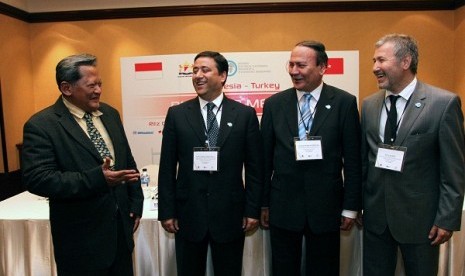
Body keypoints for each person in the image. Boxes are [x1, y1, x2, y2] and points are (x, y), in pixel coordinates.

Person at [21, 54, 144, 276]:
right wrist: (98, 179)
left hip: (120, 237)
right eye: (91, 85)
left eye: (100, 84)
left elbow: (127, 160)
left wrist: (136, 203)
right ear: (66, 88)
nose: (98, 90)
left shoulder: (110, 114)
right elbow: (38, 178)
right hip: (81, 243)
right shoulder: (42, 125)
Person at [361, 34, 465, 276]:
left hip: (421, 222)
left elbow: (453, 168)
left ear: (405, 61)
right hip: (377, 221)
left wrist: (447, 218)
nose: (375, 67)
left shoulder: (443, 104)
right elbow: (365, 162)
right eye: (373, 61)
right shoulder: (369, 105)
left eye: (381, 60)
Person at [260, 40, 362, 276]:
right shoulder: (274, 104)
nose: (294, 71)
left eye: (302, 65)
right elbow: (264, 160)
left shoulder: (344, 103)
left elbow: (354, 161)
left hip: (326, 208)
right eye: (291, 64)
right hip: (283, 207)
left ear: (322, 67)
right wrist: (263, 203)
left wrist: (350, 207)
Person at [158, 51, 263, 276]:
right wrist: (167, 211)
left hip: (230, 214)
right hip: (188, 213)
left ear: (223, 75)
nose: (197, 75)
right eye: (195, 70)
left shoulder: (244, 115)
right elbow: (167, 167)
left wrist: (252, 209)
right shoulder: (177, 114)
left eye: (205, 70)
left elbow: (255, 169)